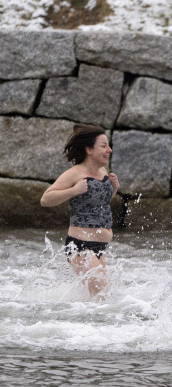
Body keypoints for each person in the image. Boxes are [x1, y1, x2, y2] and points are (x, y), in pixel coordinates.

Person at [40, 123, 119, 299]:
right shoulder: (75, 174)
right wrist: (73, 191)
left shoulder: (102, 171)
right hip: (80, 246)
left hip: (100, 247)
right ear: (89, 149)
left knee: (102, 299)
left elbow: (99, 205)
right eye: (104, 146)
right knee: (104, 297)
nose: (109, 150)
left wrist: (114, 189)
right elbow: (45, 199)